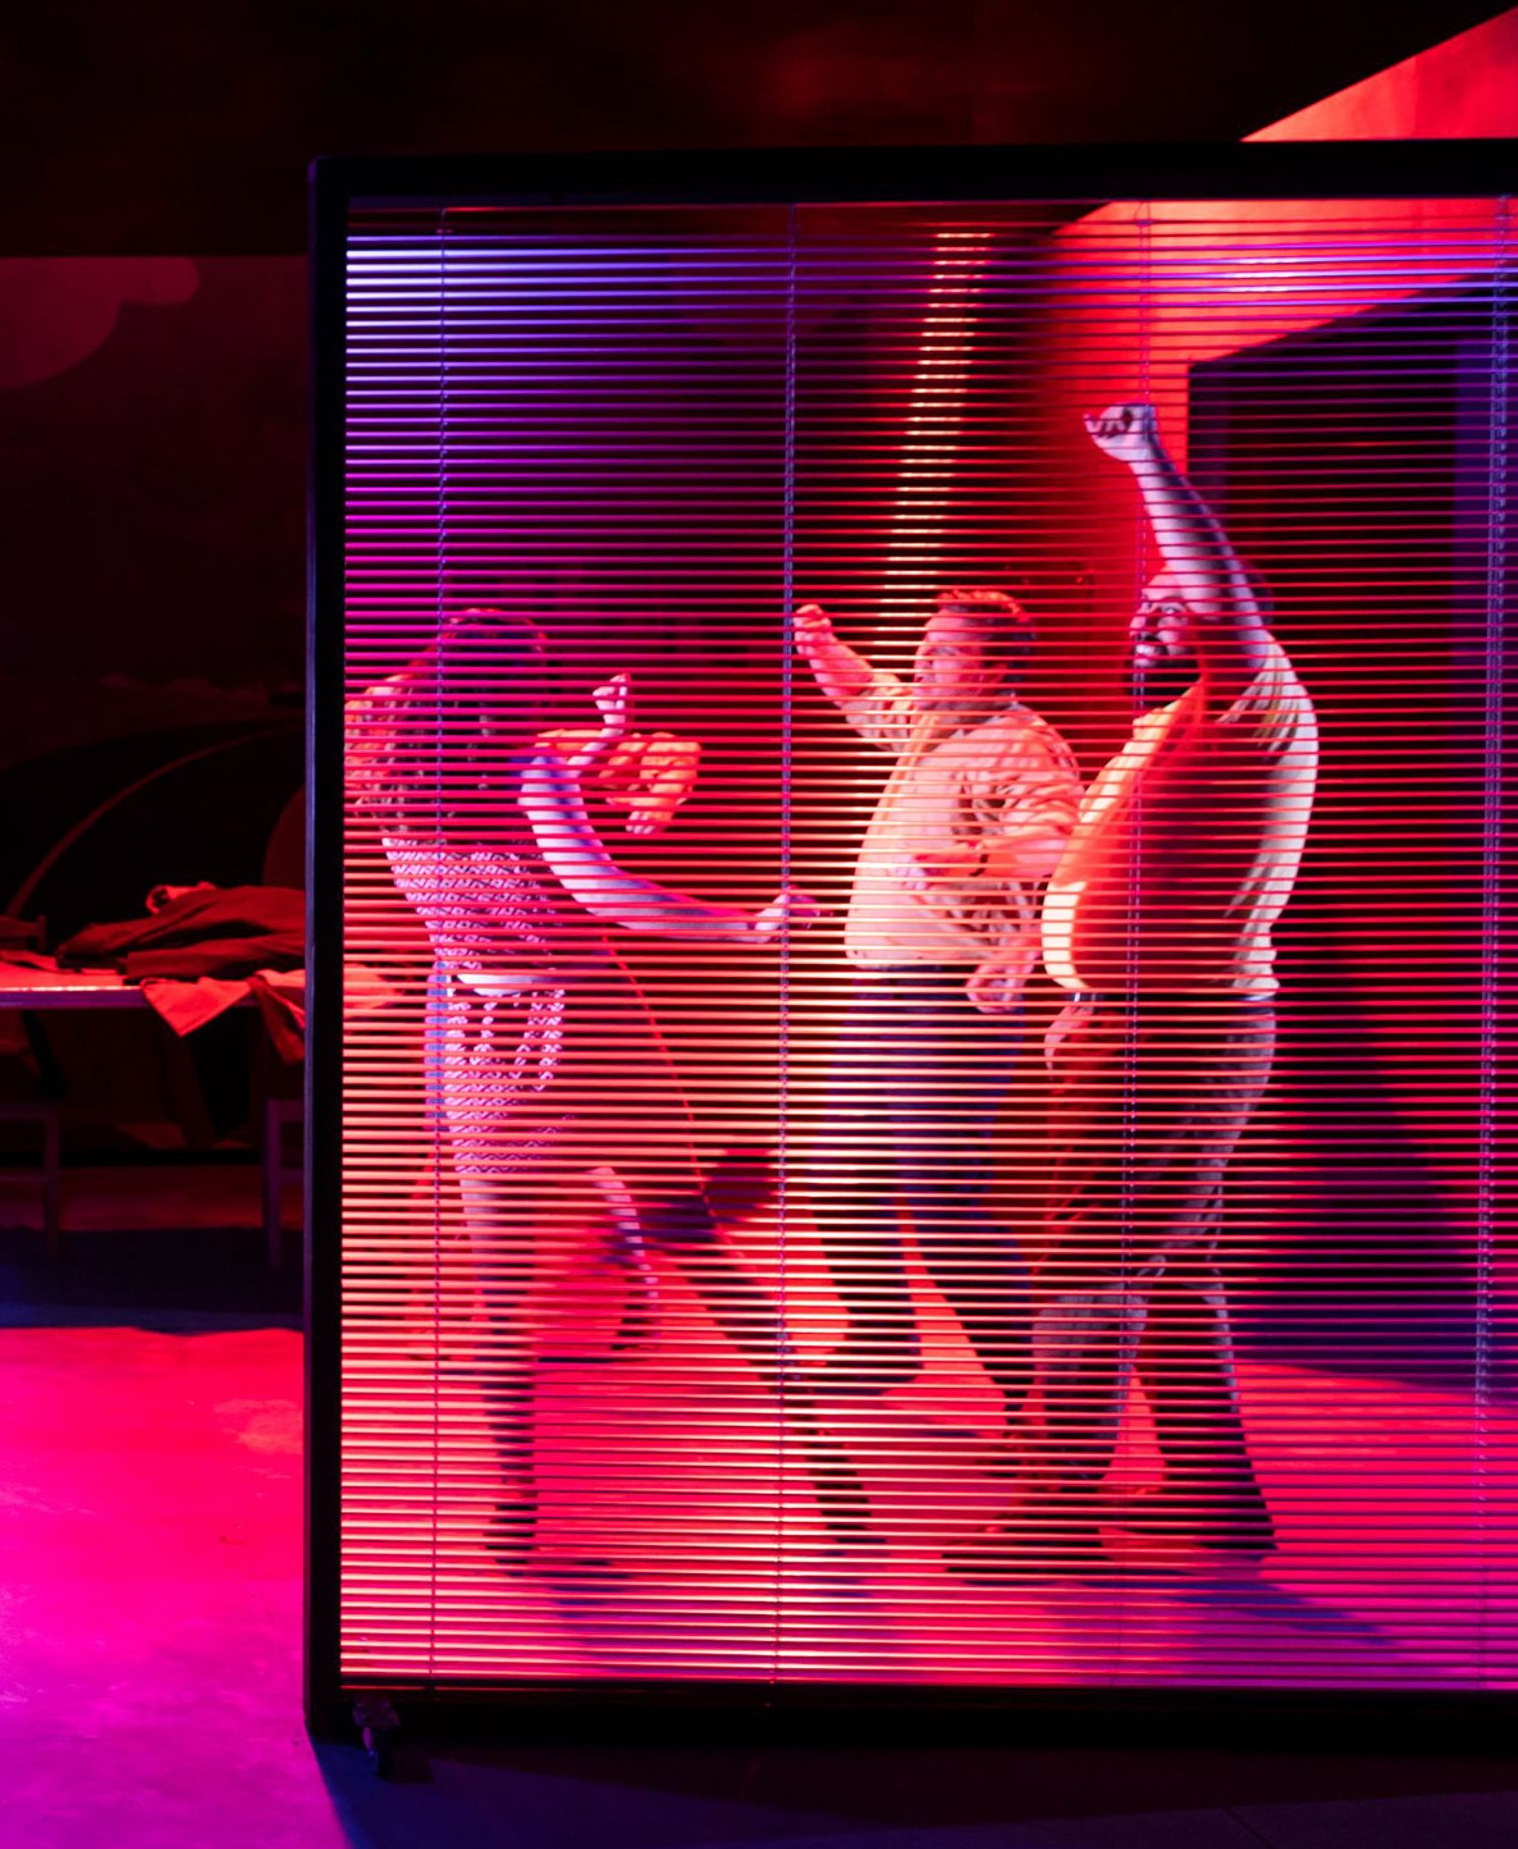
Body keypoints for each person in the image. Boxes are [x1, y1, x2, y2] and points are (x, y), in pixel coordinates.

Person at [345, 610, 859, 1548]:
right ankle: (821, 1455)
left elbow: (437, 736)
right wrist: (743, 925)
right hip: (591, 1028)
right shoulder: (526, 767)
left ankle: (515, 1504)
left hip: (480, 1036)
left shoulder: (384, 774)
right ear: (519, 691)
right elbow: (608, 895)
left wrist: (608, 739)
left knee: (499, 1298)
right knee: (702, 1243)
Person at [952, 402, 1319, 1576]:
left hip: (1174, 1036)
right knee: (1164, 1265)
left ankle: (1056, 1513)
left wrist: (1147, 462)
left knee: (1087, 1264)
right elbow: (1135, 888)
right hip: (1143, 1024)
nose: (1149, 612)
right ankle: (1217, 1500)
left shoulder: (1248, 701)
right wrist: (1057, 970)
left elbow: (1214, 588)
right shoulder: (1167, 732)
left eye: (1175, 605)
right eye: (1142, 603)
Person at [788, 585, 1085, 1403]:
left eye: (945, 650)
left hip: (953, 996)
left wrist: (971, 863)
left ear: (996, 671)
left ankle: (1039, 1401)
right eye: (923, 643)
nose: (921, 660)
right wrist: (823, 646)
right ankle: (882, 1344)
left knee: (939, 1192)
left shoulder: (1021, 744)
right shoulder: (931, 725)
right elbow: (865, 695)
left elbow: (1059, 840)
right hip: (884, 991)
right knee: (840, 1176)